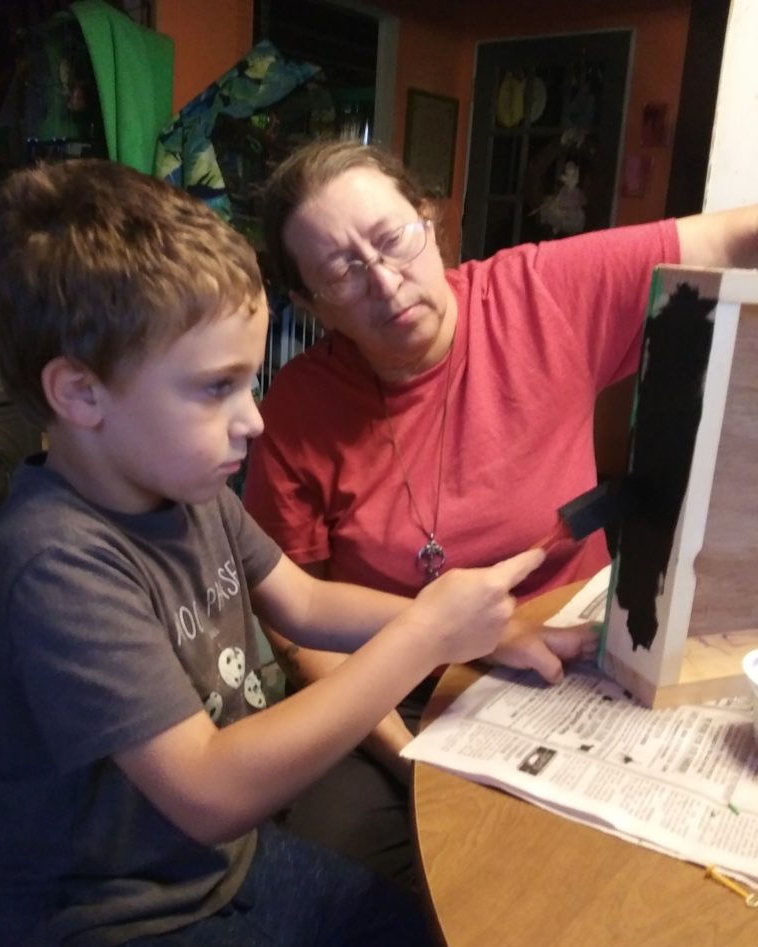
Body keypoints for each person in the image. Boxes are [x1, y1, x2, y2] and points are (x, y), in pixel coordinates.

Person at [0, 159, 593, 947]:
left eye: (249, 381)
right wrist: (423, 636)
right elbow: (210, 792)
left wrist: (482, 631)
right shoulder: (56, 562)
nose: (255, 419)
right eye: (216, 389)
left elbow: (305, 603)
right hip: (111, 934)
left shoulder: (186, 489)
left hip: (234, 868)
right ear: (81, 393)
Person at [243, 139, 758, 884]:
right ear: (309, 305)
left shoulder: (539, 291)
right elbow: (296, 627)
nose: (385, 283)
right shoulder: (295, 410)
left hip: (572, 655)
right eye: (342, 273)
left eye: (393, 239)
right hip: (396, 687)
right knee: (340, 866)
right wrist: (406, 755)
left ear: (431, 222)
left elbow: (737, 238)